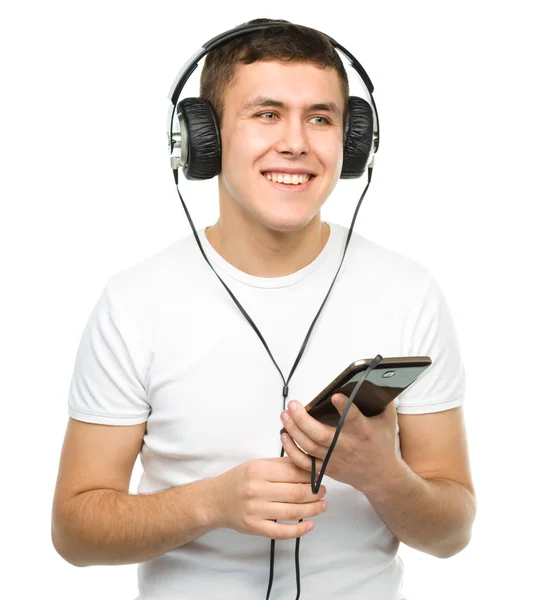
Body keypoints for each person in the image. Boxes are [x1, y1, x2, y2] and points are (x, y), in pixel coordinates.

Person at [51, 18, 476, 600]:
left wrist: (384, 476)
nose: (297, 143)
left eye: (321, 118)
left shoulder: (409, 292)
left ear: (352, 144)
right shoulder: (134, 303)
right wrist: (209, 503)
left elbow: (452, 534)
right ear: (202, 139)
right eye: (266, 113)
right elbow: (75, 535)